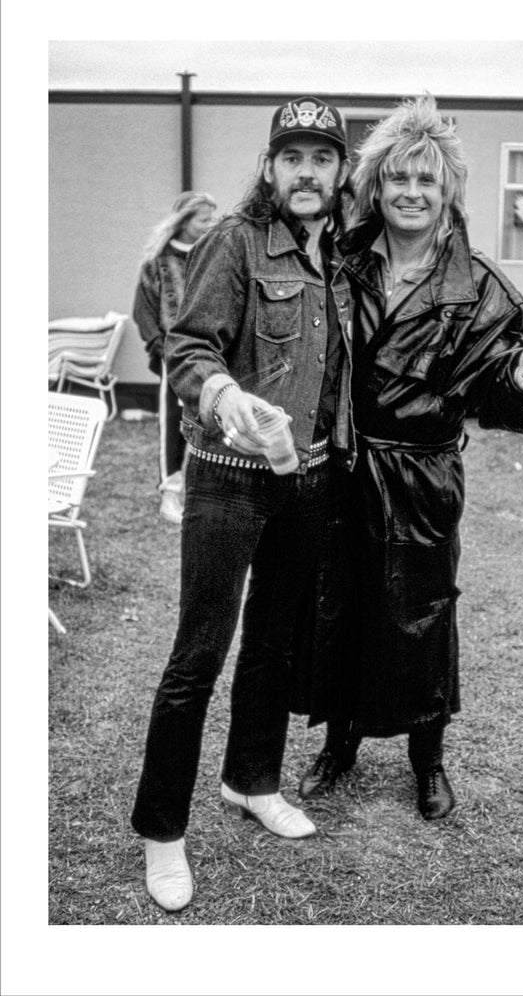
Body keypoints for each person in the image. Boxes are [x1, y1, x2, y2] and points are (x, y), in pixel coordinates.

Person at [298, 94, 523, 822]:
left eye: (426, 181)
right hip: (345, 468)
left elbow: (509, 392)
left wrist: (521, 379)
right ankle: (339, 744)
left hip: (420, 476)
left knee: (420, 613)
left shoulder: (478, 286)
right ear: (375, 187)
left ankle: (427, 759)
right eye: (397, 179)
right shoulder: (338, 263)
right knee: (342, 604)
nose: (410, 193)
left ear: (446, 192)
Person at [130, 96, 355, 912]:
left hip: (307, 480)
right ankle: (163, 833)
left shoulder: (341, 257)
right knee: (199, 655)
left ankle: (251, 779)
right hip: (228, 474)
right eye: (291, 155)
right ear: (270, 167)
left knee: (273, 647)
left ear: (339, 172)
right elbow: (188, 346)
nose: (306, 170)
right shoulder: (235, 238)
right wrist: (227, 396)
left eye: (321, 157)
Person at [132, 190, 218, 524]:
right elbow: (142, 310)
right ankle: (170, 492)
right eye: (203, 219)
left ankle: (204, 489)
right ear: (183, 220)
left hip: (211, 354)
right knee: (171, 423)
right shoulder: (156, 262)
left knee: (209, 419)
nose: (209, 225)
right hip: (172, 356)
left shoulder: (212, 255)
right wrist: (159, 345)